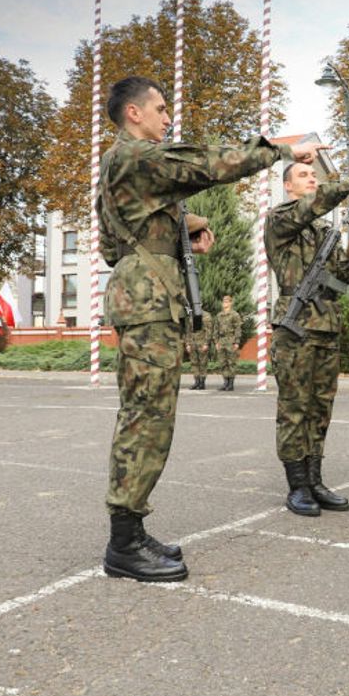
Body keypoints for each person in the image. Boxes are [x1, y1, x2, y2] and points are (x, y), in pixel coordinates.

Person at [97, 75, 327, 581]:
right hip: (148, 303)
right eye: (159, 109)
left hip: (148, 297)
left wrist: (176, 241)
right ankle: (123, 543)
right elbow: (204, 164)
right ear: (133, 113)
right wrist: (279, 149)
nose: (166, 117)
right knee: (146, 418)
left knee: (150, 415)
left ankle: (131, 531)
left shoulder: (126, 165)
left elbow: (115, 244)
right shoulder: (133, 155)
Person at [265, 161, 349, 516]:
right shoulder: (279, 220)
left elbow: (338, 279)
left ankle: (315, 480)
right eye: (303, 176)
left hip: (325, 325)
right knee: (295, 409)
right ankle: (298, 486)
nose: (311, 180)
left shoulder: (323, 231)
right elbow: (314, 204)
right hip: (294, 328)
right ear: (288, 187)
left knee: (320, 408)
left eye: (314, 176)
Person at [213, 295, 243, 391]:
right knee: (223, 362)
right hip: (221, 341)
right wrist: (216, 341)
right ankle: (225, 382)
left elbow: (238, 329)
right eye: (223, 301)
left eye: (227, 301)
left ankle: (231, 384)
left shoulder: (235, 315)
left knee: (231, 362)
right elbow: (216, 329)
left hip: (231, 339)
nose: (225, 303)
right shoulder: (219, 315)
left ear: (231, 303)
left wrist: (237, 342)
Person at [185, 308, 213, 390]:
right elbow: (188, 331)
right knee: (194, 363)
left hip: (202, 343)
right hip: (193, 343)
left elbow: (209, 331)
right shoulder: (191, 315)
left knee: (203, 363)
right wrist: (187, 344)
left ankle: (202, 383)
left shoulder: (206, 315)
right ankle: (196, 382)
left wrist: (206, 343)